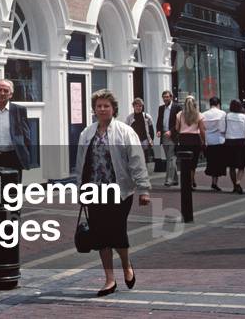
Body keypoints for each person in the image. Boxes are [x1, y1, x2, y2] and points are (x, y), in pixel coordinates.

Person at [74, 90, 151, 297]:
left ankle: (126, 265)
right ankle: (109, 279)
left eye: (106, 106)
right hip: (94, 191)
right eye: (98, 106)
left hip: (119, 191)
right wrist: (80, 187)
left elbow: (137, 161)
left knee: (117, 232)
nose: (102, 109)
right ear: (94, 109)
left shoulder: (125, 132)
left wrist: (143, 189)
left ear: (113, 109)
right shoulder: (87, 133)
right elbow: (81, 163)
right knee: (100, 235)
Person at [174, 96, 205, 189]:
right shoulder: (199, 115)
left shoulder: (179, 114)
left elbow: (176, 128)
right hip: (195, 139)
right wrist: (204, 141)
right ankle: (190, 182)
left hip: (183, 139)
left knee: (184, 163)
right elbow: (202, 130)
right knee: (193, 163)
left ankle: (186, 182)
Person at [224, 99, 245, 194]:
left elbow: (222, 129)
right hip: (240, 141)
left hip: (229, 142)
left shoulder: (227, 116)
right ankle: (238, 182)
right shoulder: (244, 117)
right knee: (241, 165)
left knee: (231, 166)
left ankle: (234, 186)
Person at [156, 91, 182, 187]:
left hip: (173, 136)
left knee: (171, 158)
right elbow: (159, 120)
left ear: (171, 97)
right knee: (169, 158)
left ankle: (169, 180)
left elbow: (179, 122)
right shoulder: (161, 108)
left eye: (167, 97)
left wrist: (171, 131)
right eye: (164, 97)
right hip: (164, 135)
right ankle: (175, 179)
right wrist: (158, 130)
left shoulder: (177, 107)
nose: (165, 99)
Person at [201, 97, 227, 191]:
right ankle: (215, 182)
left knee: (211, 162)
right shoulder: (222, 114)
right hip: (219, 140)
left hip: (209, 141)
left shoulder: (204, 114)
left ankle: (213, 182)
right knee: (218, 162)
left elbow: (203, 128)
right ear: (218, 104)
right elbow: (223, 129)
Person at [125, 98, 156, 172]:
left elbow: (151, 129)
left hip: (144, 140)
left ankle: (143, 172)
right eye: (137, 106)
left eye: (140, 106)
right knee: (135, 157)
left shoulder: (147, 117)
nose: (138, 108)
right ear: (133, 107)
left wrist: (151, 140)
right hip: (134, 141)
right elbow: (126, 129)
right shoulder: (130, 118)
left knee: (144, 157)